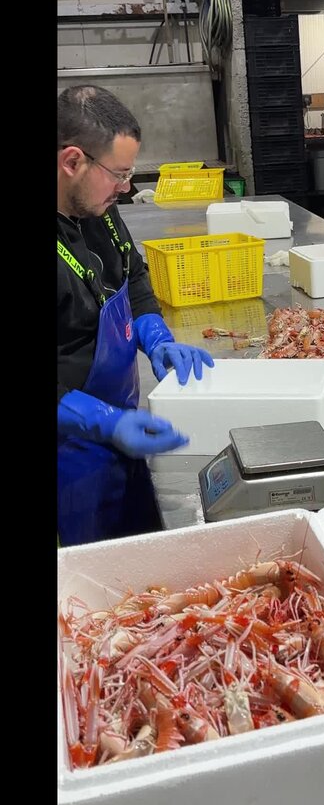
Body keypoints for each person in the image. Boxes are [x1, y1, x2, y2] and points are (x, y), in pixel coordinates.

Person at [57, 85, 215, 547]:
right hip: (69, 456)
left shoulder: (97, 207)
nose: (127, 189)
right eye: (119, 175)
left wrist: (156, 336)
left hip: (121, 431)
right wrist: (103, 421)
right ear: (72, 161)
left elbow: (135, 278)